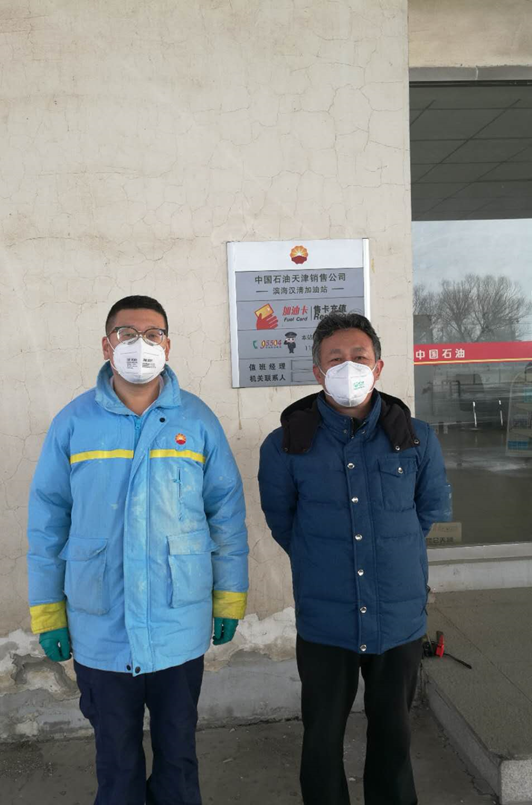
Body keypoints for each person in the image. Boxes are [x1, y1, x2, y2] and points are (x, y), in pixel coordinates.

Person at [27, 295, 249, 805]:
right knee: (117, 760)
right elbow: (47, 524)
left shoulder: (196, 420)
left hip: (177, 622)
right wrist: (48, 612)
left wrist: (229, 597)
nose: (140, 344)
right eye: (127, 334)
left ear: (168, 346)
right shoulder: (74, 422)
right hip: (100, 625)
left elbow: (226, 516)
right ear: (107, 346)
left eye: (152, 334)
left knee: (178, 757)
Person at [258, 312, 450, 805]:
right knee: (322, 740)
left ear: (378, 367)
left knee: (394, 738)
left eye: (359, 357)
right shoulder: (285, 444)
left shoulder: (416, 438)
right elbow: (284, 522)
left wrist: (388, 551)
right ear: (318, 372)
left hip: (397, 618)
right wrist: (323, 558)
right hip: (327, 621)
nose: (349, 367)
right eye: (336, 358)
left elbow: (426, 513)